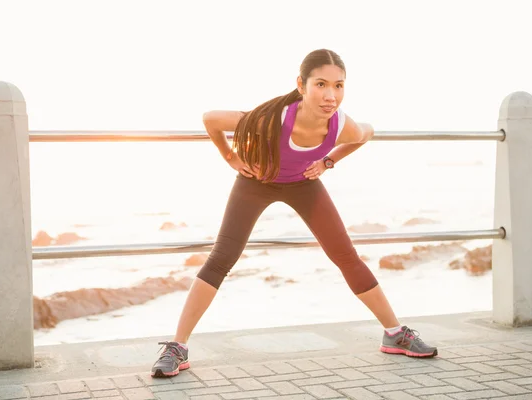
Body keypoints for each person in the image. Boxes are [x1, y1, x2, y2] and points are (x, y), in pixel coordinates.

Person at [151, 49, 437, 378]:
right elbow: (211, 118)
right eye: (321, 84)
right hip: (255, 184)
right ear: (301, 85)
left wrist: (330, 161)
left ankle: (394, 333)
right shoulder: (271, 118)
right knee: (221, 257)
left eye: (339, 85)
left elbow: (365, 133)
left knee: (345, 255)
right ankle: (178, 346)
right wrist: (229, 156)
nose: (331, 95)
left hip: (303, 185)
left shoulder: (341, 125)